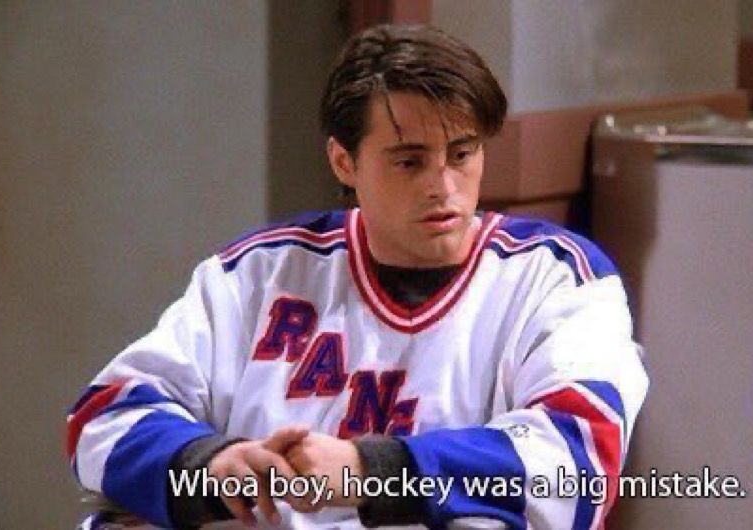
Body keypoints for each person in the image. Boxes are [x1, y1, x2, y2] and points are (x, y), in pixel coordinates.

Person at [66, 24, 649, 530]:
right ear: (344, 162)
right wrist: (209, 465)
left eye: (462, 154)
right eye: (409, 161)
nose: (443, 187)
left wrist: (371, 471)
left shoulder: (554, 277)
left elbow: (576, 463)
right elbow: (104, 416)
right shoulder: (258, 273)